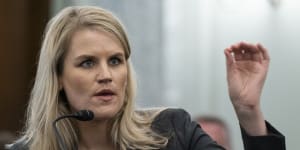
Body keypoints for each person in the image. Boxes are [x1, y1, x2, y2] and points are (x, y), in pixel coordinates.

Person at [6, 6, 285, 150]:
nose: (106, 76)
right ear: (59, 78)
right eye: (88, 63)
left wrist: (248, 111)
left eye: (115, 61)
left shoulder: (173, 131)